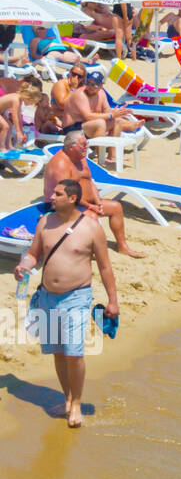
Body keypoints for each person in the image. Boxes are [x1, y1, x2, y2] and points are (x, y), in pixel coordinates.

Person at [14, 177, 118, 428]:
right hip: (47, 296)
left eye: (58, 194)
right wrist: (23, 266)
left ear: (72, 198)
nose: (52, 197)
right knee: (58, 353)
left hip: (76, 297)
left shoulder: (92, 228)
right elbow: (33, 254)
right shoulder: (44, 222)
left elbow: (104, 266)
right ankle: (68, 399)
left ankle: (78, 404)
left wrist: (113, 300)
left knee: (74, 353)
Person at [43, 130, 144, 257]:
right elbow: (67, 195)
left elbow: (89, 180)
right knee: (91, 216)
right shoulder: (60, 164)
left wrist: (97, 201)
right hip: (61, 206)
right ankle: (87, 252)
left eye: (86, 143)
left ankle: (122, 246)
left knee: (116, 207)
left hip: (82, 203)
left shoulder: (81, 157)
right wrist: (91, 207)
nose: (87, 147)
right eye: (83, 145)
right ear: (70, 147)